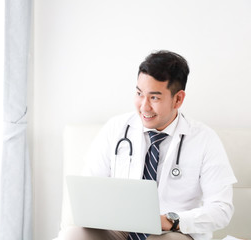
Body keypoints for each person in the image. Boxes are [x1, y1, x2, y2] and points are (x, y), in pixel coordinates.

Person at [62, 50, 237, 240]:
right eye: (139, 94)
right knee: (74, 235)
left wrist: (170, 220)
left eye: (154, 97)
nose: (144, 106)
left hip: (173, 231)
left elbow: (221, 209)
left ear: (178, 99)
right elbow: (89, 189)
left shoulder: (204, 139)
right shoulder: (116, 128)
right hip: (119, 227)